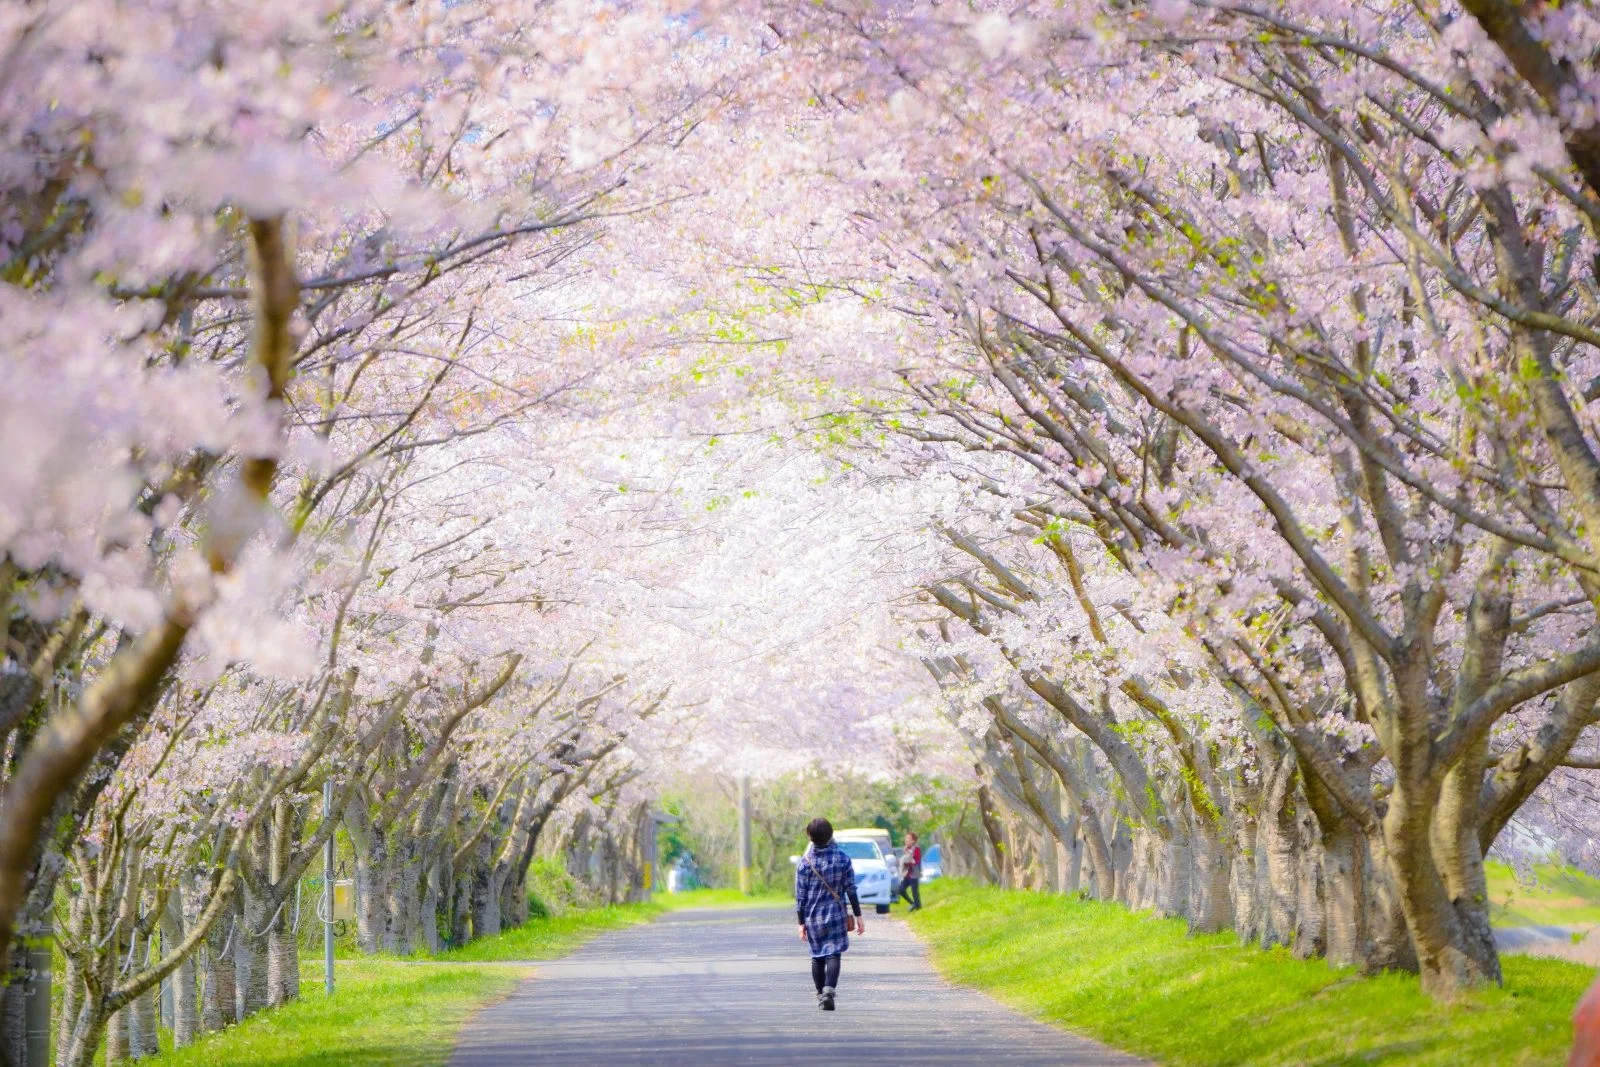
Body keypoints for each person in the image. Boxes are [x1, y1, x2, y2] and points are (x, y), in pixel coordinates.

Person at [795, 816, 863, 1011]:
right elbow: (851, 890)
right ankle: (828, 991)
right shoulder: (843, 859)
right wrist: (858, 916)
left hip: (813, 916)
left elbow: (800, 896)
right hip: (836, 915)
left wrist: (801, 922)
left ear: (811, 837)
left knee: (817, 956)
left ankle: (820, 994)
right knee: (833, 954)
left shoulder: (804, 863)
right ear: (831, 835)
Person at [896, 831, 922, 911]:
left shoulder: (916, 849)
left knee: (915, 892)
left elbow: (914, 861)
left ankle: (917, 906)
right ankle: (913, 903)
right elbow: (905, 861)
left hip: (914, 871)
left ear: (913, 841)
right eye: (906, 838)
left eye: (908, 838)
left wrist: (907, 853)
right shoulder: (907, 849)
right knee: (901, 889)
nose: (906, 840)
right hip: (907, 873)